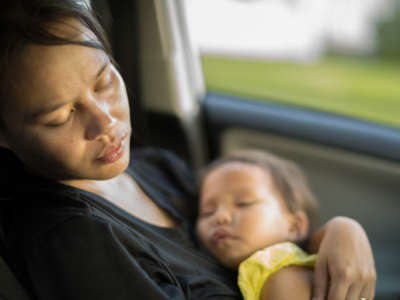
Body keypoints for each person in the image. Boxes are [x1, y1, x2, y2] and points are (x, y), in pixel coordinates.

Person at [0, 1, 376, 299]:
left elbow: (257, 237)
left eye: (104, 83)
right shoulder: (71, 241)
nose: (105, 122)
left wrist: (337, 234)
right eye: (60, 117)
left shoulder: (157, 168)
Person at [196, 149, 320, 300]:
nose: (220, 217)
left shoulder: (282, 274)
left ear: (294, 226)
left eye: (243, 204)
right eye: (208, 211)